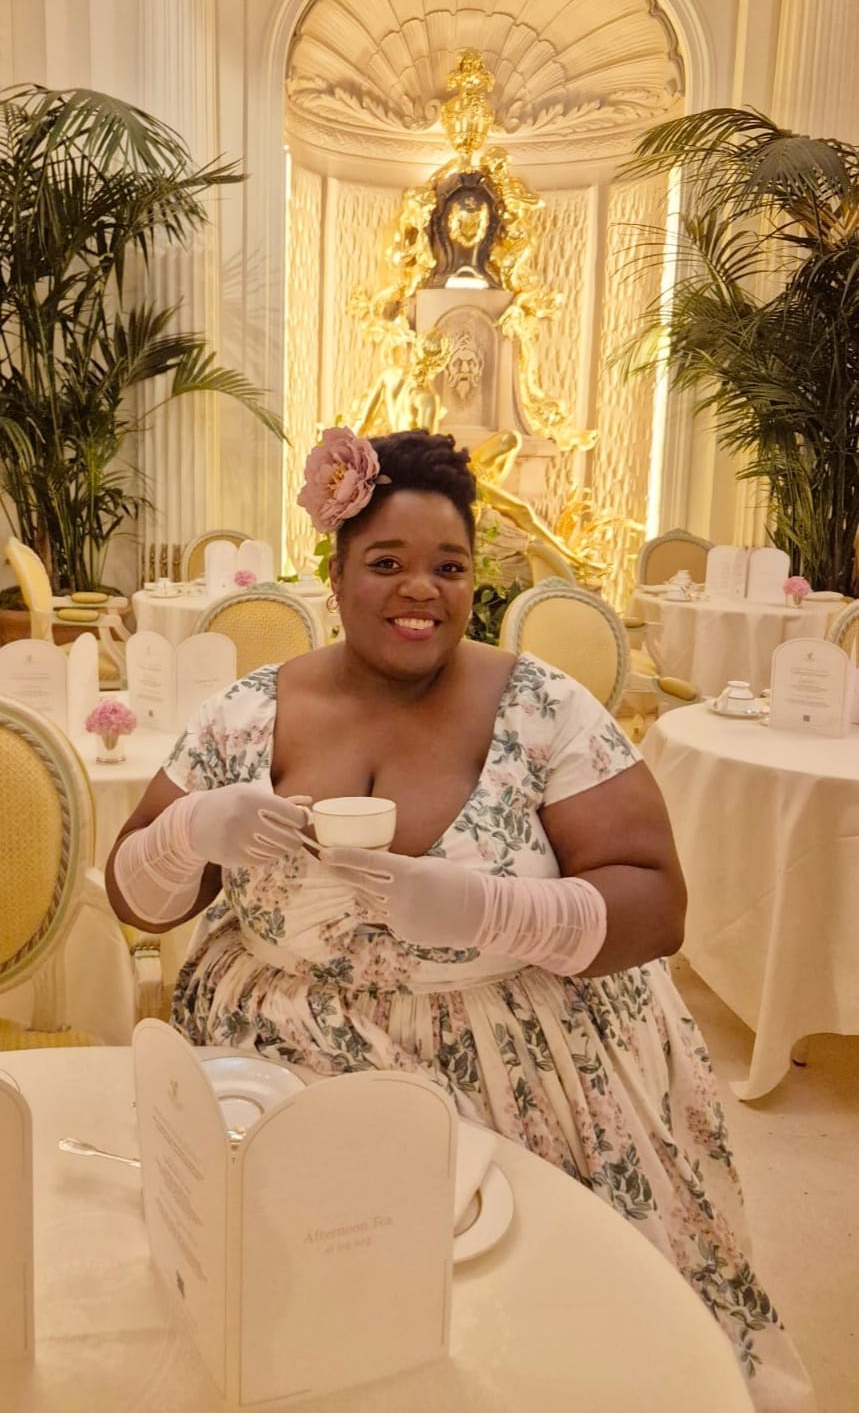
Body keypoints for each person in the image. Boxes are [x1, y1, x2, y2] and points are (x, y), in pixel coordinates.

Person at [106, 428, 815, 1413]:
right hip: (270, 1063)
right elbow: (137, 895)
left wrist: (486, 905)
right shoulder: (245, 713)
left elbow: (655, 904)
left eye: (448, 566)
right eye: (386, 562)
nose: (418, 590)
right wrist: (190, 827)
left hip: (516, 1063)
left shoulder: (543, 708)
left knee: (518, 1346)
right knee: (291, 1329)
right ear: (338, 570)